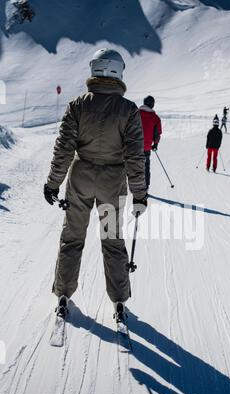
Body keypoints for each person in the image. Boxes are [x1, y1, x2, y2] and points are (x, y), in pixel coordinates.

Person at [43, 49, 147, 323]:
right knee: (112, 242)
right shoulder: (128, 110)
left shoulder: (78, 105)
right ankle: (119, 300)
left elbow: (64, 147)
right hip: (112, 183)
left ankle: (63, 294)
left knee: (72, 237)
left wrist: (53, 182)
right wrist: (140, 193)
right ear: (118, 72)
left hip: (80, 178)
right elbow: (134, 155)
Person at [139, 96, 162, 190]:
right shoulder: (155, 118)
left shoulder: (135, 113)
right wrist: (155, 144)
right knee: (145, 167)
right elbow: (157, 133)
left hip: (133, 146)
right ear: (152, 104)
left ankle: (134, 186)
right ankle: (145, 187)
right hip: (146, 148)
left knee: (134, 166)